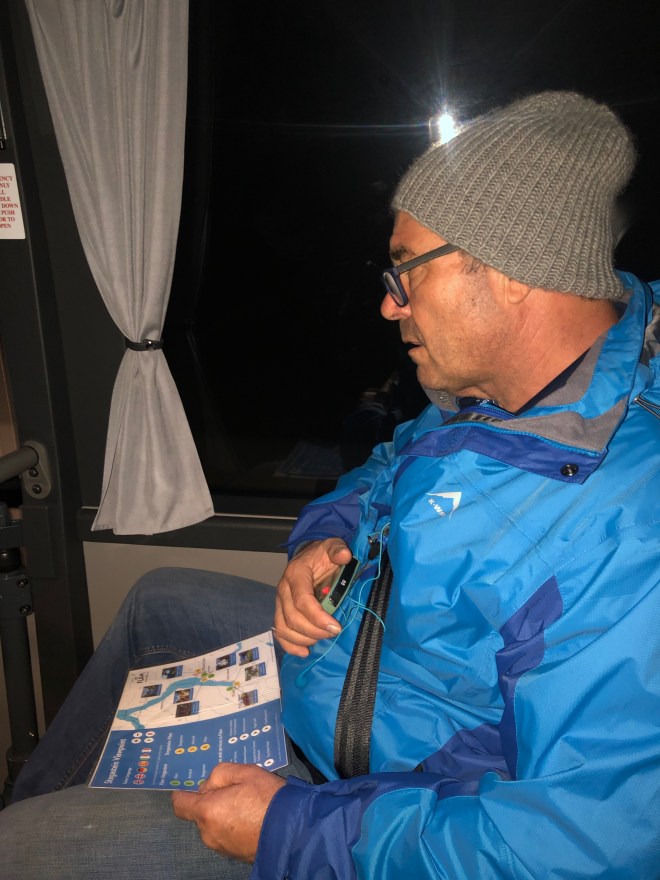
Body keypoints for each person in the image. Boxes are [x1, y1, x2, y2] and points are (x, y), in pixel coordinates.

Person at [1, 90, 659, 878]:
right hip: (350, 673)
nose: (387, 304)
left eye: (404, 270)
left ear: (509, 271)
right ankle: (33, 791)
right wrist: (327, 535)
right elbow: (389, 463)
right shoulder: (506, 396)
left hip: (371, 814)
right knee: (157, 599)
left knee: (22, 848)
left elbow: (579, 849)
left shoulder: (630, 529)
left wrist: (288, 828)